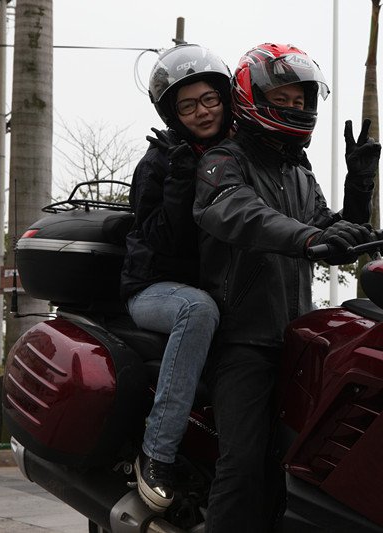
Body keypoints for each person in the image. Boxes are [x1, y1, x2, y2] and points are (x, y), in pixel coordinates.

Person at [192, 43, 382, 532]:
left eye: (302, 101)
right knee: (244, 461)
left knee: (304, 458)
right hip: (242, 340)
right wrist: (312, 236)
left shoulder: (298, 171)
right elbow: (239, 214)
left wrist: (359, 188)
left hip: (297, 338)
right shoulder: (222, 161)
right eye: (285, 98)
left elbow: (328, 232)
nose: (295, 108)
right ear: (251, 96)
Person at [119, 43, 232, 513]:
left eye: (209, 100)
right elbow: (159, 244)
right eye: (187, 105)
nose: (201, 112)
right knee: (197, 309)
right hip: (152, 288)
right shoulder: (160, 161)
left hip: (214, 285)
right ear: (172, 112)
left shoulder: (236, 155)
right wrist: (180, 181)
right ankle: (157, 453)